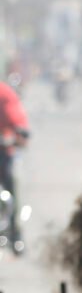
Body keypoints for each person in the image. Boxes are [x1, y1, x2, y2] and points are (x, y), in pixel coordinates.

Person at [0, 81, 29, 254]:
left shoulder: (4, 93)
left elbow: (16, 117)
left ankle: (16, 233)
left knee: (13, 184)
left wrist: (19, 133)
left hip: (4, 152)